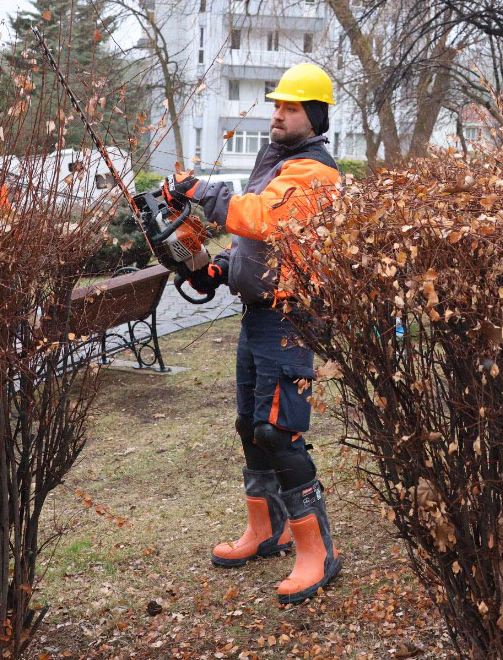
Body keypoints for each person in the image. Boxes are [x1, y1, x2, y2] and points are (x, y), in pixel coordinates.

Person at [167, 63, 342, 605]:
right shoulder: (280, 161)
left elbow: (263, 218)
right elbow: (256, 245)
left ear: (313, 116)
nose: (277, 115)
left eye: (289, 108)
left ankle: (317, 551)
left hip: (290, 320)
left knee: (279, 432)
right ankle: (267, 530)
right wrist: (216, 267)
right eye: (276, 106)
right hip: (257, 315)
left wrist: (204, 192)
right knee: (250, 424)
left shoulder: (316, 173)